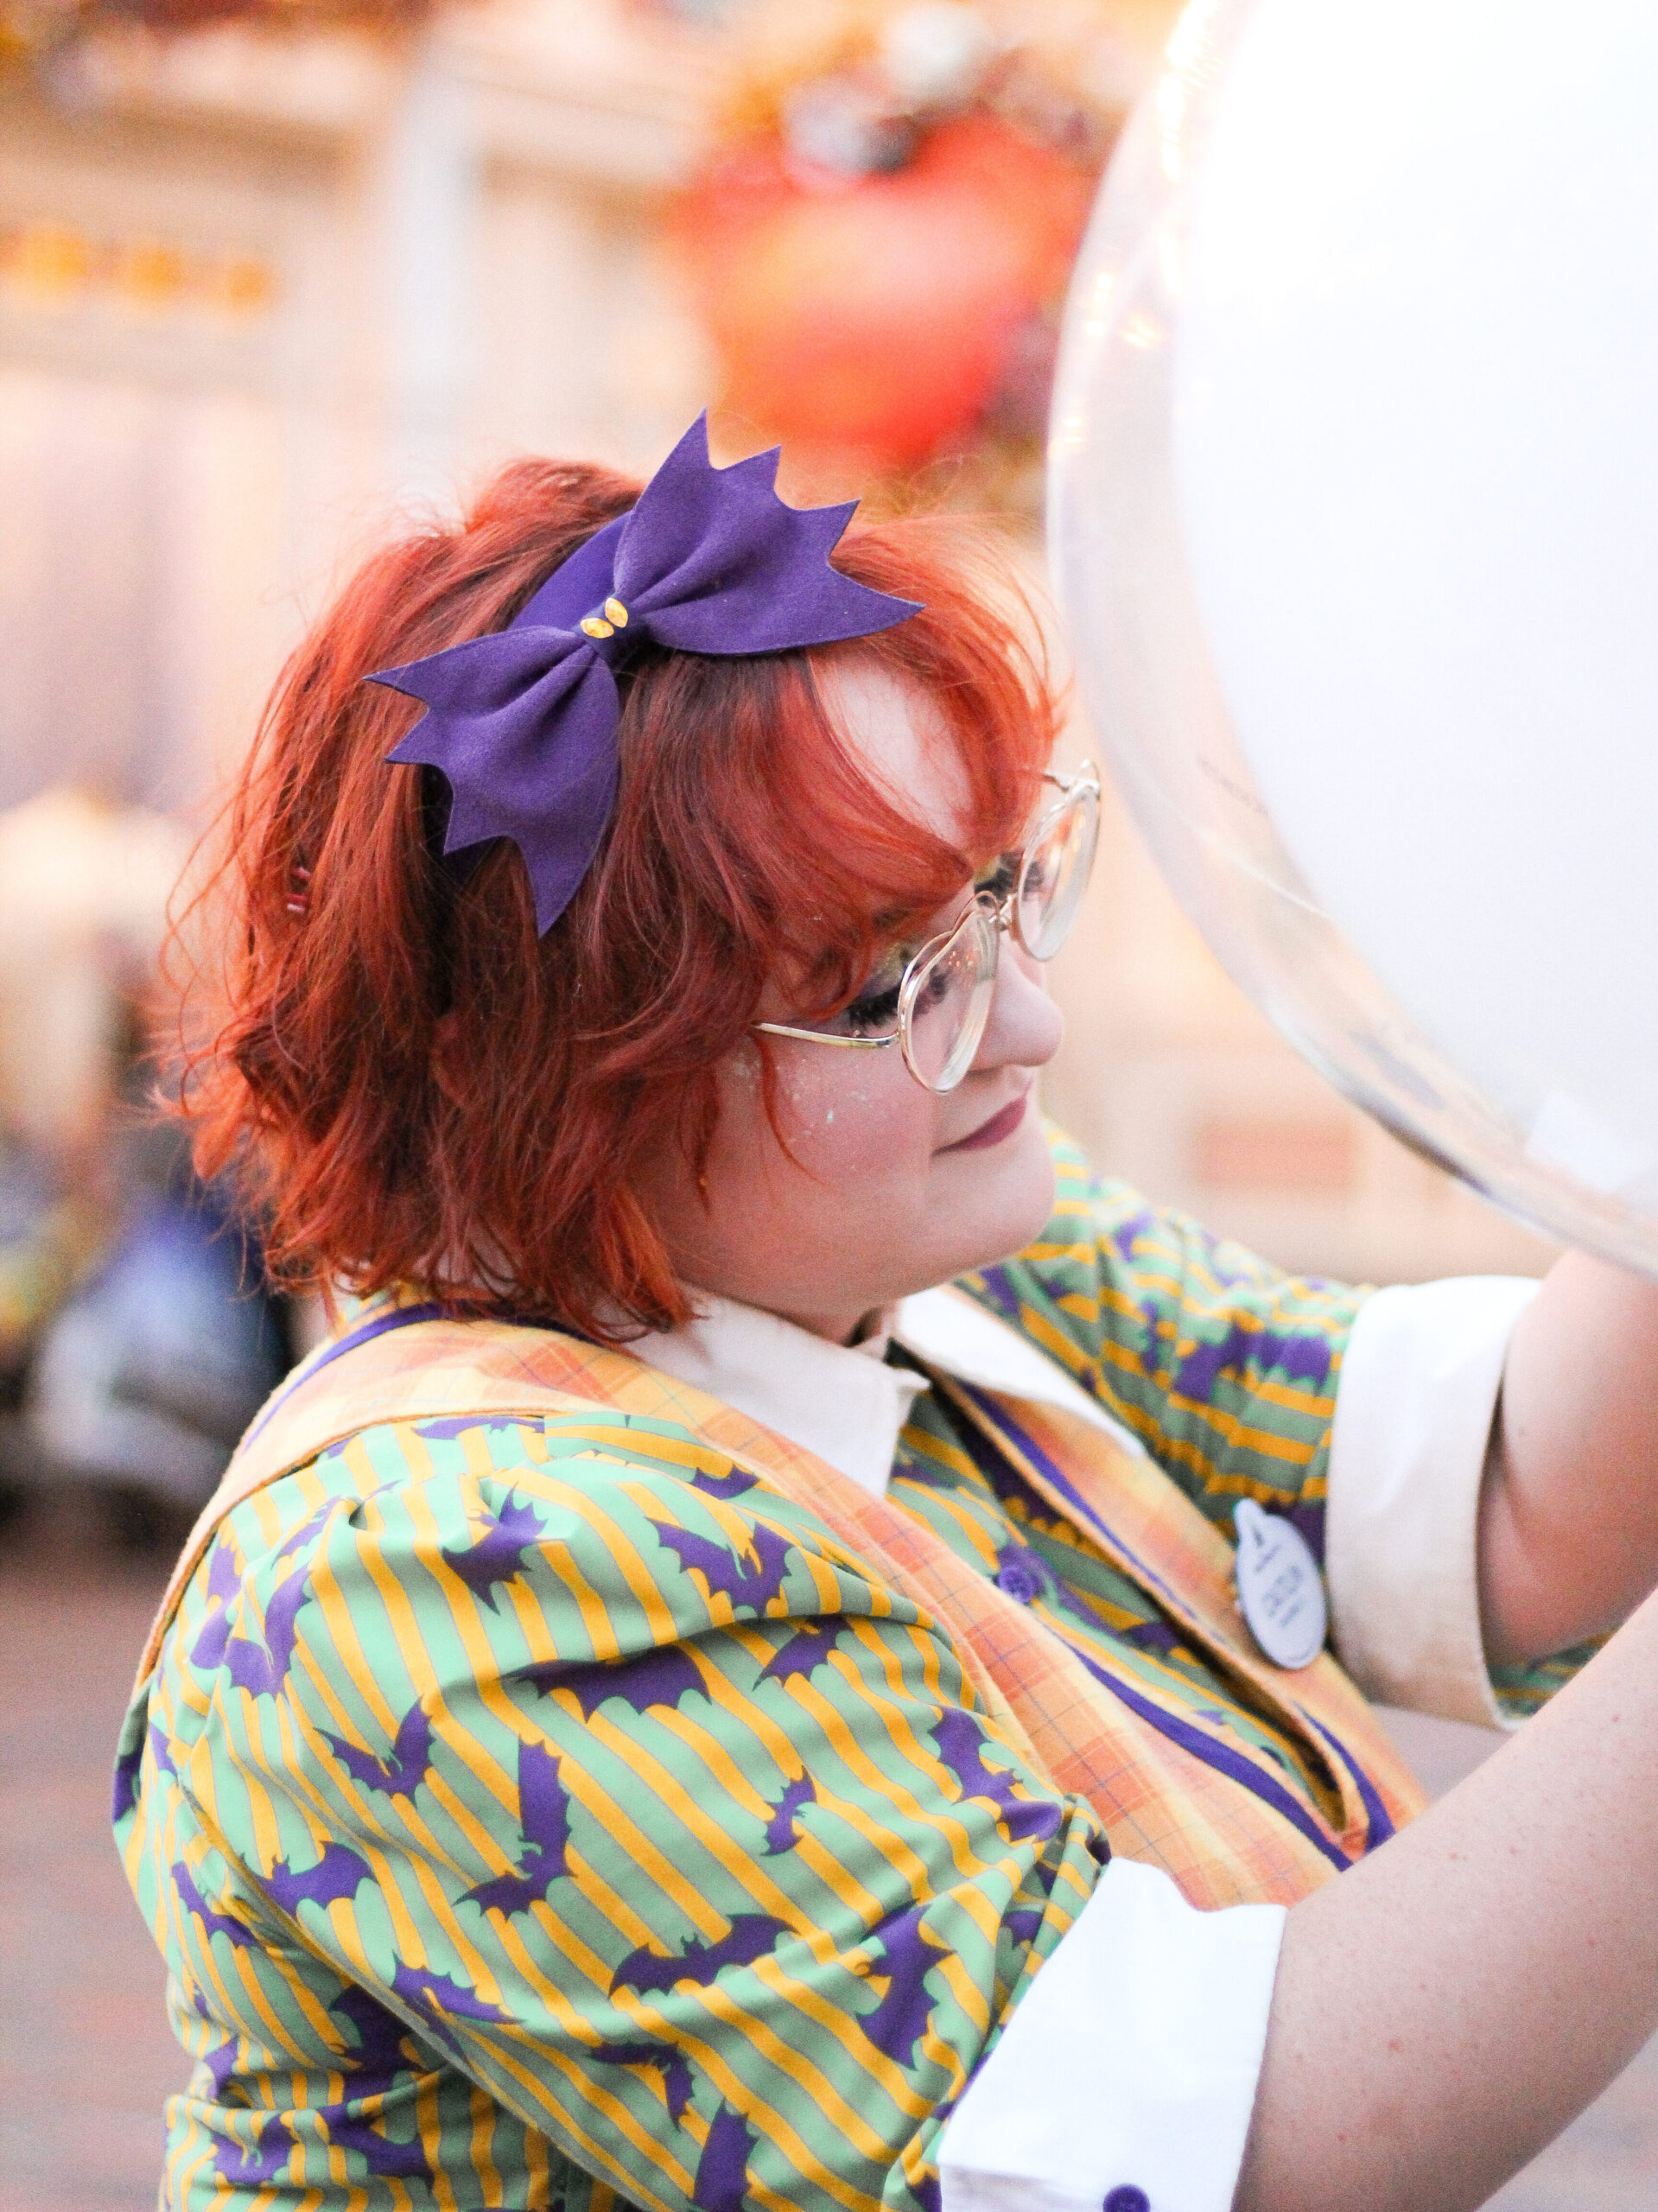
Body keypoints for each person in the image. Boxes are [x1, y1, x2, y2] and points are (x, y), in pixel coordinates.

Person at [118, 416, 1658, 2212]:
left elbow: (1503, 1504)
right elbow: (1216, 2157)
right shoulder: (433, 1562)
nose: (1021, 1024)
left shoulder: (930, 1218)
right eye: (889, 979)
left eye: (1002, 891)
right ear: (552, 1072)